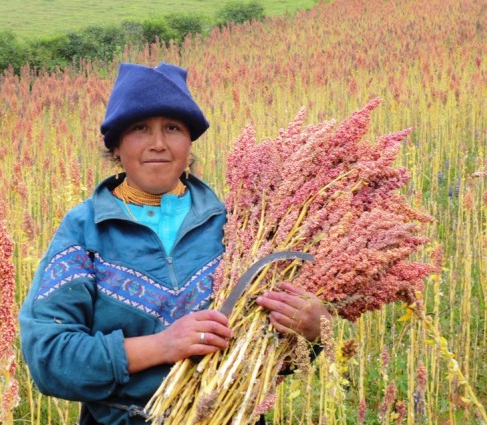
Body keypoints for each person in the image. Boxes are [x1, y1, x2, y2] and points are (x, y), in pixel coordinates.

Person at [19, 62, 331, 425]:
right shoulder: (84, 230)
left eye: (172, 128)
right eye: (139, 128)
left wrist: (314, 331)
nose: (158, 144)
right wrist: (162, 346)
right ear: (116, 145)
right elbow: (49, 359)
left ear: (189, 142)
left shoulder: (243, 226)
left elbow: (271, 357)